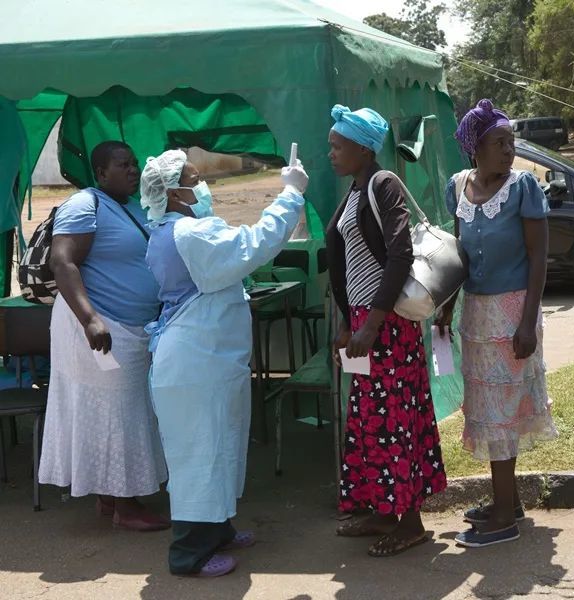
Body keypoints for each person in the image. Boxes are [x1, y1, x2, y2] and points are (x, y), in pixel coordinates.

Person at [139, 149, 308, 577]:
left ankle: (218, 530)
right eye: (194, 180)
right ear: (174, 194)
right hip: (194, 363)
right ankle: (188, 554)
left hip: (205, 361)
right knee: (199, 455)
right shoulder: (188, 235)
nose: (203, 186)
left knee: (221, 445)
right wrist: (289, 195)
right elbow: (252, 245)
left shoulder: (177, 229)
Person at [326, 104, 447, 557]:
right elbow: (349, 265)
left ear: (362, 148)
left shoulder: (383, 184)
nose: (332, 153)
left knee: (396, 421)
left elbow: (399, 254)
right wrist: (346, 320)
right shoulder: (355, 191)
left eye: (339, 146)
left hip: (387, 326)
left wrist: (372, 323)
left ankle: (411, 521)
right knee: (368, 421)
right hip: (361, 323)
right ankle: (381, 508)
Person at [437, 99, 558, 548]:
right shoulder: (458, 188)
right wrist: (447, 303)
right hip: (476, 314)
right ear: (476, 149)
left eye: (511, 142)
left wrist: (527, 323)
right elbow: (459, 252)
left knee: (502, 414)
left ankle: (505, 516)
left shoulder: (523, 187)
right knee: (487, 412)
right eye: (498, 143)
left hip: (512, 312)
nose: (508, 150)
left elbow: (538, 256)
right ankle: (505, 500)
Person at [39, 141, 168, 531]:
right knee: (118, 413)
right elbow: (63, 262)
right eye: (122, 164)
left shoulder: (132, 206)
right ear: (100, 173)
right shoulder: (84, 204)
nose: (132, 170)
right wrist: (91, 318)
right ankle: (126, 507)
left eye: (134, 163)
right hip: (97, 327)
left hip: (130, 328)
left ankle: (111, 496)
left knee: (117, 411)